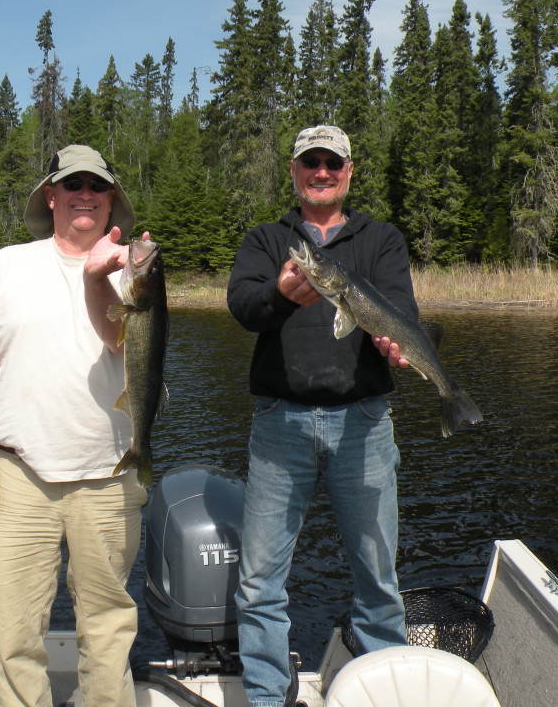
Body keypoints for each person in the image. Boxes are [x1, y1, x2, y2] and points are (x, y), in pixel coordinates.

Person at [0, 144, 149, 707]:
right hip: (15, 479)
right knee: (13, 637)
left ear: (112, 201)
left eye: (98, 185)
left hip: (109, 478)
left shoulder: (135, 267)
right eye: (73, 184)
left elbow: (122, 340)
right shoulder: (6, 264)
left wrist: (104, 275)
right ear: (52, 196)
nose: (85, 193)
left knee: (107, 634)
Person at [227, 125, 415, 707]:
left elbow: (399, 311)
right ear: (294, 170)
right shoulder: (267, 240)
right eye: (312, 162)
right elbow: (245, 308)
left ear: (349, 171)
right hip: (279, 426)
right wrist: (283, 294)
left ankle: (386, 690)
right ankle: (265, 696)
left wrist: (394, 345)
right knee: (260, 583)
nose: (322, 172)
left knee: (378, 578)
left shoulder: (381, 240)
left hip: (363, 424)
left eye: (333, 162)